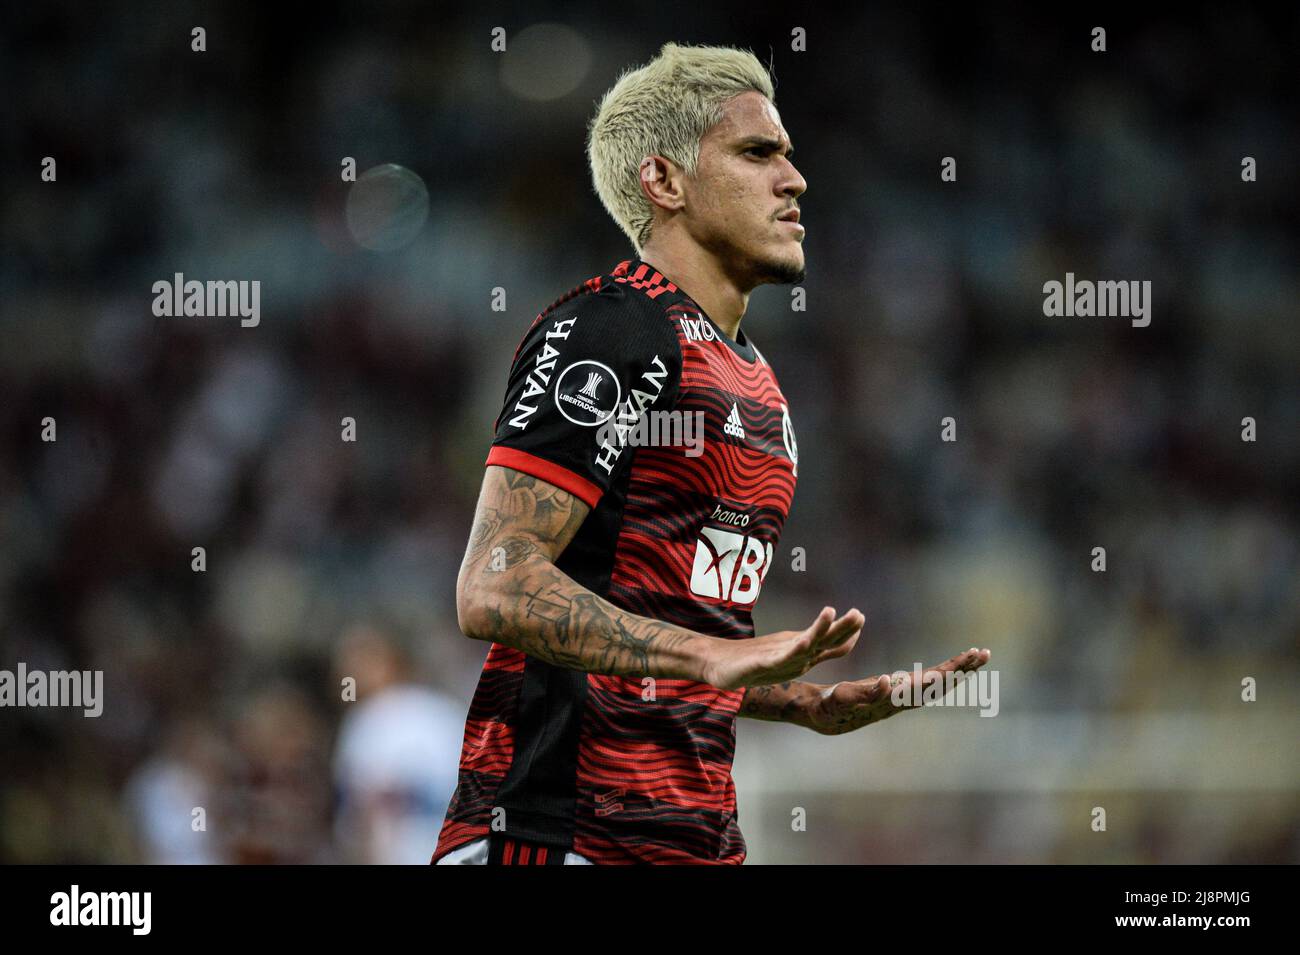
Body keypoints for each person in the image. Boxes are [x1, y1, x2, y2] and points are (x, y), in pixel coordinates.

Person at [432, 41, 990, 866]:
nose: (794, 180)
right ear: (665, 182)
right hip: (556, 833)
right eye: (757, 152)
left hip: (690, 840)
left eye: (790, 157)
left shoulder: (759, 385)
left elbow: (676, 631)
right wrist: (714, 654)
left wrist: (800, 700)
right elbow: (496, 582)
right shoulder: (611, 328)